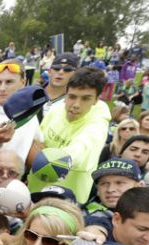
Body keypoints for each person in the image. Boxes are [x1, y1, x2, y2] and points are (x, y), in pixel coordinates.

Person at [37, 66, 111, 204]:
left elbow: (79, 150)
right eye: (72, 97)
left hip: (67, 202)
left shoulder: (98, 125)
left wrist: (48, 158)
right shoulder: (55, 110)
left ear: (96, 100)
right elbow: (38, 140)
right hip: (36, 191)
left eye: (86, 98)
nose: (76, 104)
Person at [84, 158, 144, 222]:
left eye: (119, 183)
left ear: (139, 186)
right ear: (97, 189)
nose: (110, 189)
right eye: (104, 184)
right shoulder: (84, 217)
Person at [40, 52, 79, 118]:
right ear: (49, 72)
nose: (61, 72)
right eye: (56, 68)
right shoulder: (32, 93)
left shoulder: (75, 102)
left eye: (67, 69)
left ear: (75, 75)